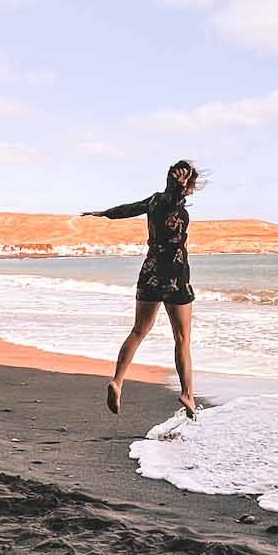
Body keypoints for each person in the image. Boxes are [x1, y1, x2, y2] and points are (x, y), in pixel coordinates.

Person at [83, 160, 203, 420]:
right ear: (185, 183)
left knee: (138, 331)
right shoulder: (174, 200)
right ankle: (187, 394)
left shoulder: (153, 201)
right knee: (181, 338)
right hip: (175, 273)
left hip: (150, 270)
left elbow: (128, 209)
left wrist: (104, 213)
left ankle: (117, 380)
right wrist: (181, 188)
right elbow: (175, 199)